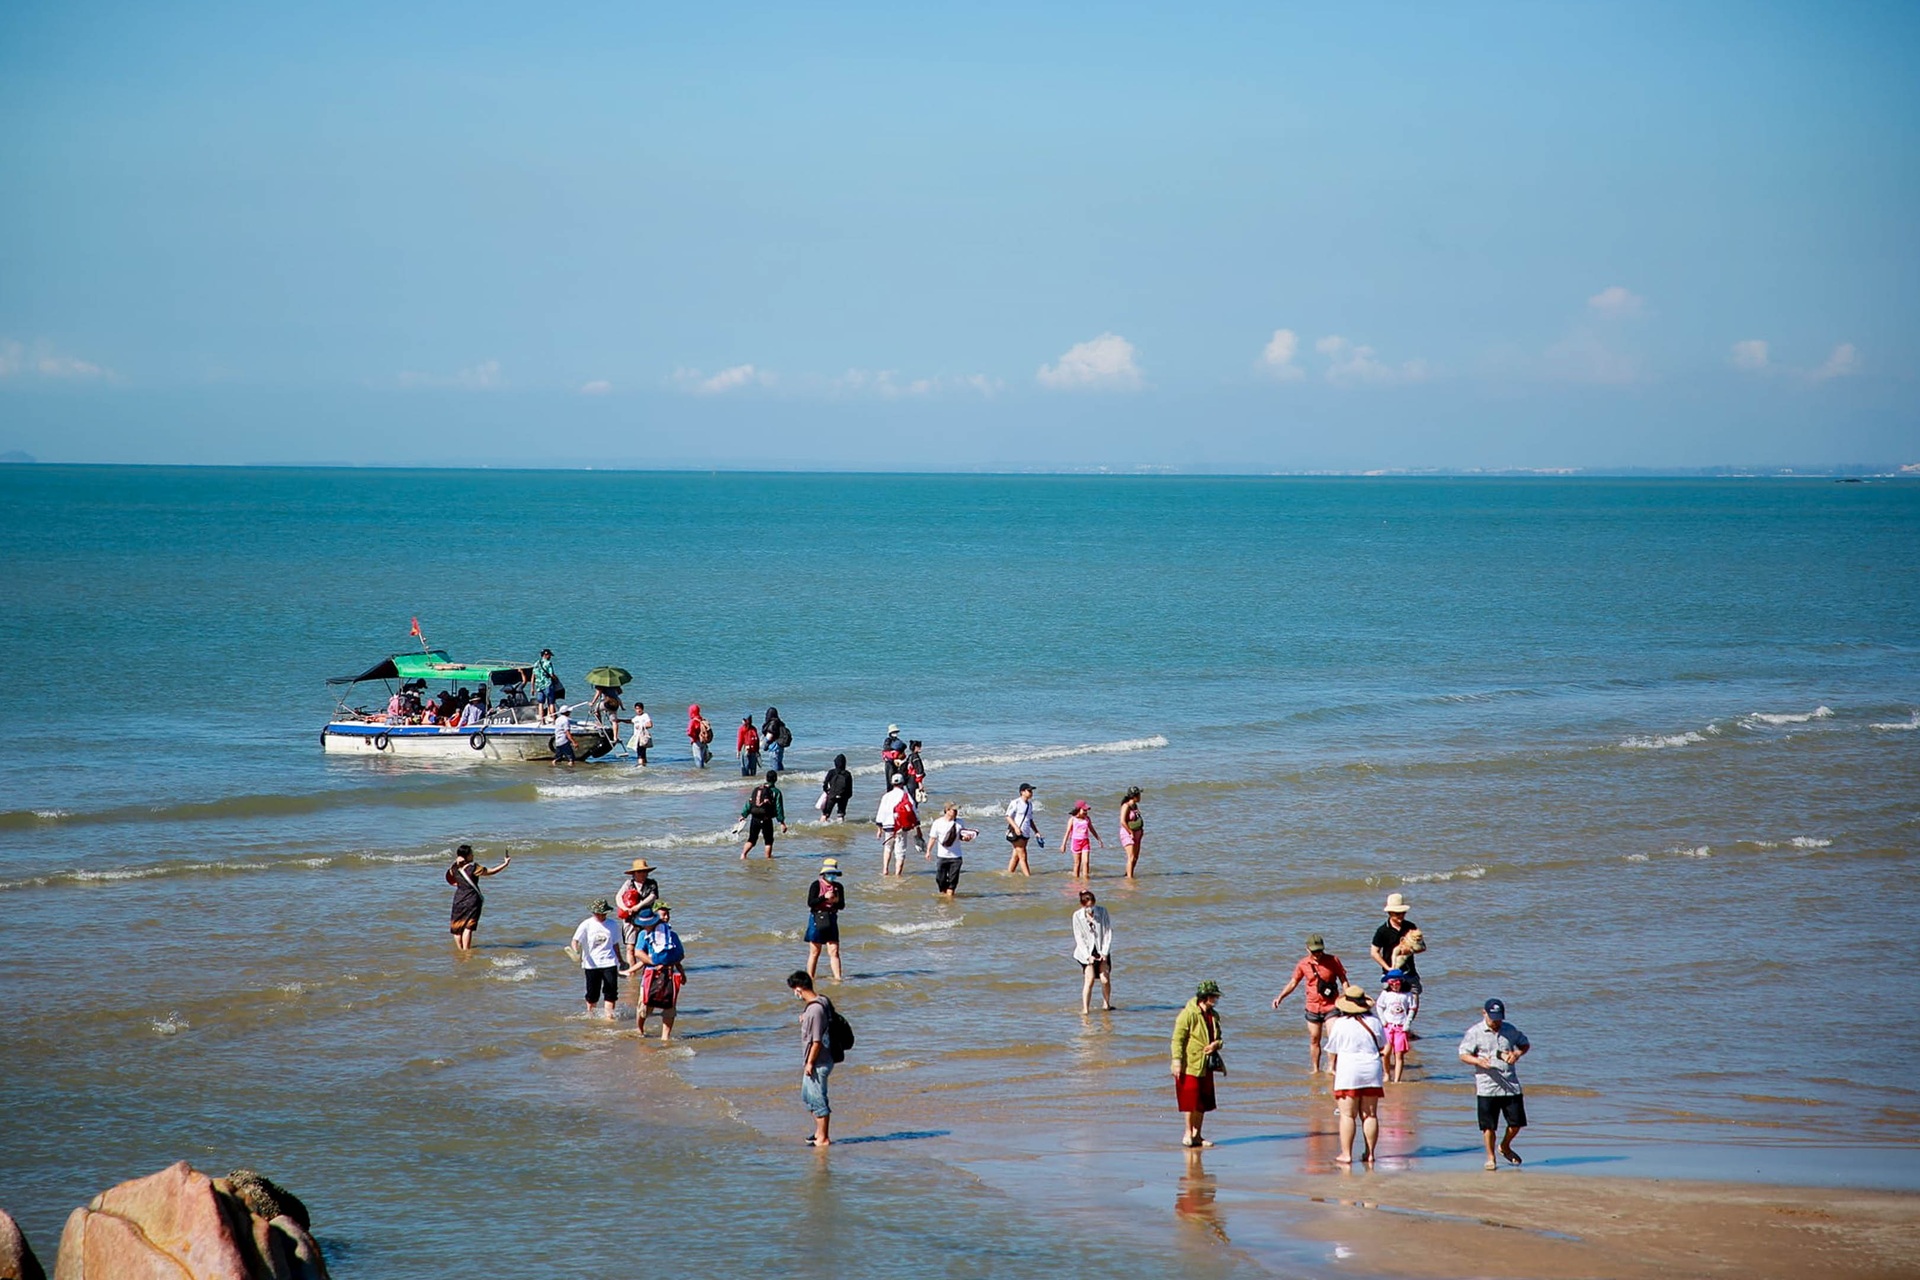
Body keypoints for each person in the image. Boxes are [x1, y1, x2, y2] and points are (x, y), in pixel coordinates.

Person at [1459, 998, 1530, 1170]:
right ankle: (1491, 1157)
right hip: (1486, 1086)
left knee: (1516, 1124)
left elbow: (1524, 1044)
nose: (1496, 1022)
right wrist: (1477, 1061)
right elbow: (1463, 1054)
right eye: (1493, 1018)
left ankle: (1505, 1146)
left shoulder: (1509, 1030)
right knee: (1488, 1126)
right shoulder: (1475, 1032)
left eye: (1499, 1018)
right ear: (1484, 1013)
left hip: (1511, 1084)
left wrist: (1517, 1053)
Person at [1324, 984, 1388, 1164]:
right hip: (1372, 1069)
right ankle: (1370, 1154)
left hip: (1349, 1069)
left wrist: (1332, 1066)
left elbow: (1333, 1048)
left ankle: (1346, 1154)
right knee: (1370, 1115)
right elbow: (1383, 1044)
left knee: (1347, 1115)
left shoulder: (1340, 1024)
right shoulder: (1374, 1021)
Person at [1270, 934, 1348, 1073]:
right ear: (1307, 949)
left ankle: (1331, 1067)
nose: (1317, 954)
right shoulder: (1303, 964)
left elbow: (1343, 980)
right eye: (1314, 951)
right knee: (1314, 1038)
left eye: (1320, 951)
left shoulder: (1333, 960)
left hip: (1331, 1005)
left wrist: (1348, 997)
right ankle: (1315, 1069)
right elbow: (1293, 982)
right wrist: (1280, 997)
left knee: (1333, 1036)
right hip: (1312, 1006)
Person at [1171, 980, 1225, 1148]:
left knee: (1202, 1102)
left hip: (1206, 1065)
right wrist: (1176, 1061)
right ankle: (1188, 1133)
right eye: (1214, 996)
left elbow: (1219, 1038)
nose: (1216, 999)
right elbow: (1177, 1040)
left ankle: (1198, 1135)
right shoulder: (1188, 1014)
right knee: (1190, 1101)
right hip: (1190, 1063)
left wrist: (1216, 1044)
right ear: (1205, 997)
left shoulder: (1214, 1015)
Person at [623, 906, 686, 1040]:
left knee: (669, 1008)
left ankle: (665, 1037)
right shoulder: (642, 935)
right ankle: (640, 1030)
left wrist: (680, 971)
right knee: (644, 1007)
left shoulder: (671, 935)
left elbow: (680, 955)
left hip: (669, 974)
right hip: (651, 974)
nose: (646, 926)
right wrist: (654, 963)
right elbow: (638, 952)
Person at [788, 970, 834, 1146]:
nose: (794, 993)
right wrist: (805, 1018)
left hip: (818, 1061)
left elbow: (816, 1042)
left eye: (794, 990)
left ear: (799, 989)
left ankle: (823, 1138)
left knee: (818, 1100)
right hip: (820, 1060)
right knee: (808, 1096)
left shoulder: (815, 1010)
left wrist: (810, 1063)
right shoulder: (821, 1001)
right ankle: (818, 1132)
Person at [445, 844, 510, 951]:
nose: (473, 855)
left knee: (457, 928)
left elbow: (449, 878)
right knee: (468, 927)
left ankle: (460, 951)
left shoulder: (454, 868)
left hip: (458, 899)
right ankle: (466, 952)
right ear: (467, 856)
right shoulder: (474, 868)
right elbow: (491, 871)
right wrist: (505, 864)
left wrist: (458, 883)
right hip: (472, 900)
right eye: (471, 853)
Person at [568, 899, 621, 1019]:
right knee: (592, 994)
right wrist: (576, 950)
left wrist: (621, 960)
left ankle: (609, 1017)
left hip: (610, 962)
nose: (601, 916)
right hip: (591, 964)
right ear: (593, 912)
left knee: (611, 993)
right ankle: (591, 1016)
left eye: (604, 913)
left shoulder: (612, 924)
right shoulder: (586, 924)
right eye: (599, 913)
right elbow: (575, 940)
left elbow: (615, 944)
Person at [1371, 893, 1424, 996]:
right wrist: (1388, 968)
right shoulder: (1382, 931)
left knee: (1413, 1001)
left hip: (1409, 973)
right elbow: (1374, 952)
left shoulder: (1410, 926)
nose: (1401, 916)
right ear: (1390, 913)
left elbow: (1422, 947)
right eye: (1397, 913)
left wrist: (1411, 950)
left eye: (1403, 913)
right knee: (1392, 1004)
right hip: (1390, 974)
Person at [1071, 890, 1114, 1013]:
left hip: (1101, 949)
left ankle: (1107, 1004)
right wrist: (1087, 956)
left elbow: (1108, 933)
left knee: (1105, 979)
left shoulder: (1103, 912)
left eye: (1092, 905)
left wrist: (1105, 952)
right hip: (1086, 952)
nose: (1091, 908)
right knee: (1089, 980)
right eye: (1088, 906)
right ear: (1083, 905)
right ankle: (1085, 1009)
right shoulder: (1077, 916)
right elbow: (1078, 937)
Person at [614, 858, 660, 967]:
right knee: (630, 947)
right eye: (640, 871)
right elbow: (618, 897)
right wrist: (625, 908)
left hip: (647, 918)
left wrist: (638, 906)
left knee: (647, 945)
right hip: (630, 919)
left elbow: (653, 897)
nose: (643, 874)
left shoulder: (652, 883)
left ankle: (648, 968)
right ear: (634, 873)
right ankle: (633, 972)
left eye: (645, 871)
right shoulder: (628, 883)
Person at [805, 859, 845, 981]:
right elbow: (810, 903)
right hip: (817, 917)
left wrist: (835, 901)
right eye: (830, 874)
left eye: (834, 874)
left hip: (832, 918)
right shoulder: (816, 885)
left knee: (834, 951)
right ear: (824, 873)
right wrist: (823, 897)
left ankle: (838, 978)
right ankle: (810, 978)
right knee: (815, 951)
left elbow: (842, 905)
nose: (832, 876)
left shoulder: (838, 887)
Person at [1376, 969, 1418, 1082]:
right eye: (1391, 983)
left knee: (1399, 1055)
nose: (1394, 985)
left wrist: (1407, 1023)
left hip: (1401, 1027)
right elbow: (1379, 1006)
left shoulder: (1408, 995)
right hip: (1388, 1026)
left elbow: (1412, 1009)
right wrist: (1383, 1021)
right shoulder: (1385, 994)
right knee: (1385, 1053)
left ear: (1402, 982)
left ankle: (1397, 1079)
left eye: (1397, 982)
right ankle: (1386, 1074)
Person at [925, 803, 976, 896]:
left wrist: (967, 838)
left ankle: (949, 901)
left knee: (953, 882)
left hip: (956, 857)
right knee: (940, 879)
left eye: (957, 810)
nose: (956, 812)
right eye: (954, 810)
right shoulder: (937, 823)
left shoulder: (960, 822)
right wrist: (928, 851)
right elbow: (932, 838)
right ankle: (944, 897)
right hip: (942, 856)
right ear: (947, 810)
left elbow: (962, 836)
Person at [740, 770, 788, 859]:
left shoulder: (758, 790)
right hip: (766, 819)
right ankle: (768, 858)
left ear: (766, 778)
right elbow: (779, 807)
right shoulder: (776, 792)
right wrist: (782, 822)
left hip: (754, 818)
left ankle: (743, 855)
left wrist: (744, 815)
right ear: (776, 779)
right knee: (768, 840)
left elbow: (750, 802)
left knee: (752, 839)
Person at [876, 775, 918, 876]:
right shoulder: (906, 795)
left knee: (888, 848)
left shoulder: (886, 796)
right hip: (901, 826)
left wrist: (879, 829)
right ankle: (897, 874)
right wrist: (917, 826)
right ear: (903, 783)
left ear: (892, 783)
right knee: (900, 852)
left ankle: (885, 869)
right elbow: (914, 811)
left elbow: (880, 812)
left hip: (888, 826)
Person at [1061, 800, 1104, 879]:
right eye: (1084, 810)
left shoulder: (1087, 819)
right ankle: (1076, 879)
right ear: (1078, 809)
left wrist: (1099, 839)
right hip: (1076, 842)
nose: (1086, 812)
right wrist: (1063, 845)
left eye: (1087, 810)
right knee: (1077, 863)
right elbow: (1067, 832)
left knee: (1086, 862)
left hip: (1085, 842)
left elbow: (1092, 829)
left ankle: (1085, 879)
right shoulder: (1073, 820)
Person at [1005, 782, 1040, 876]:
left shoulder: (1029, 805)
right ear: (1022, 792)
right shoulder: (1015, 803)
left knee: (1016, 856)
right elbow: (1008, 816)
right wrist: (1016, 828)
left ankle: (1009, 874)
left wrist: (1036, 832)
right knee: (1023, 856)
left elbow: (1030, 819)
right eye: (1029, 791)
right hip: (1017, 833)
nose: (1031, 793)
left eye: (1031, 791)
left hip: (1026, 833)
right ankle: (1028, 877)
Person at [1118, 786, 1145, 879]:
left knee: (1136, 857)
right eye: (1139, 795)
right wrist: (1130, 832)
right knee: (1131, 857)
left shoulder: (1135, 806)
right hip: (1127, 833)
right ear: (1134, 796)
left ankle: (1128, 873)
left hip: (1137, 833)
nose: (1140, 796)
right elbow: (1122, 821)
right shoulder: (1126, 806)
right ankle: (1130, 878)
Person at [819, 753, 854, 821]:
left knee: (825, 814)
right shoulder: (847, 774)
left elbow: (825, 783)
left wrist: (827, 791)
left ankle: (821, 827)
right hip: (843, 796)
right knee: (841, 814)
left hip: (832, 795)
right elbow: (850, 788)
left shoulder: (831, 772)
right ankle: (841, 827)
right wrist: (847, 796)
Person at [532, 649, 558, 725]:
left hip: (539, 686)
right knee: (551, 703)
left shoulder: (536, 663)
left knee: (541, 703)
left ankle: (542, 721)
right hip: (548, 685)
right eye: (549, 655)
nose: (550, 657)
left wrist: (532, 688)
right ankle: (554, 720)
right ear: (546, 655)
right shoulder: (548, 663)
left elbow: (533, 676)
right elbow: (551, 674)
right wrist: (556, 679)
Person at [761, 706, 791, 771]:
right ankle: (781, 778)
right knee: (779, 764)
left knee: (774, 767)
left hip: (774, 748)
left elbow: (770, 736)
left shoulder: (772, 723)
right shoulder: (779, 723)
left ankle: (777, 778)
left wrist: (765, 745)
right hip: (780, 747)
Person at [628, 700, 653, 767]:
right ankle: (644, 765)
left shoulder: (645, 715)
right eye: (636, 709)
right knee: (642, 752)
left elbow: (650, 725)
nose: (638, 710)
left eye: (639, 709)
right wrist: (620, 720)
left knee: (640, 752)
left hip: (642, 736)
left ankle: (640, 766)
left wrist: (642, 726)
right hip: (637, 737)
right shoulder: (636, 718)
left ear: (642, 709)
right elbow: (630, 721)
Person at [687, 703, 711, 768]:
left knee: (698, 759)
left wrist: (694, 737)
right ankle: (703, 773)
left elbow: (689, 732)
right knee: (702, 759)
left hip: (696, 742)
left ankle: (700, 774)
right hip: (703, 742)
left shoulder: (693, 721)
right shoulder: (701, 719)